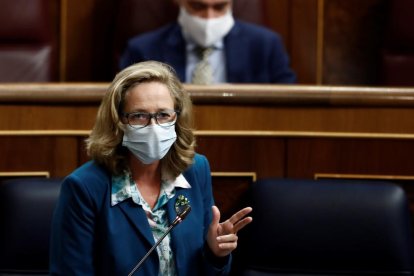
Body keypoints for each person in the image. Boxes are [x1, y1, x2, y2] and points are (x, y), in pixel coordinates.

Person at [49, 60, 253, 275]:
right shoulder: (85, 188)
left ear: (177, 117)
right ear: (118, 121)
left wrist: (215, 254)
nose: (153, 126)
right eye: (139, 116)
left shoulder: (195, 170)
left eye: (163, 115)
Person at [119, 0, 296, 84]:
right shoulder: (143, 50)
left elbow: (290, 104)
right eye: (198, 7)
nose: (209, 18)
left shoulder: (266, 45)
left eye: (219, 7)